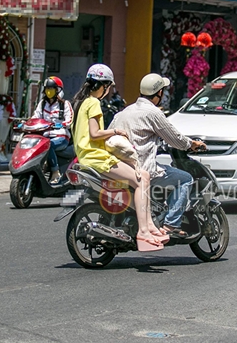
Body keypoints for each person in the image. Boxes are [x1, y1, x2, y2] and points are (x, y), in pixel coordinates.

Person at [71, 64, 167, 252]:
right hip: (97, 158)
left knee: (141, 179)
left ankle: (149, 226)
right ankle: (144, 232)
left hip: (85, 157)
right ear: (104, 85)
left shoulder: (80, 102)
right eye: (109, 87)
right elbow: (94, 133)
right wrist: (116, 131)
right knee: (142, 179)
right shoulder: (93, 102)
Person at [109, 73, 206, 237]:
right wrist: (192, 144)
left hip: (119, 167)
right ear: (159, 93)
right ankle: (171, 225)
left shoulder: (124, 112)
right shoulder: (153, 113)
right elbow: (175, 138)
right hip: (143, 168)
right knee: (185, 179)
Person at [32, 76, 73, 184]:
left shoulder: (65, 104)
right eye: (47, 89)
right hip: (44, 136)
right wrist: (27, 125)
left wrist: (61, 125)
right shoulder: (42, 104)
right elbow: (35, 117)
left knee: (48, 145)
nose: (49, 91)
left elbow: (69, 121)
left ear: (58, 90)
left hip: (61, 137)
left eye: (52, 89)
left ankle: (55, 172)